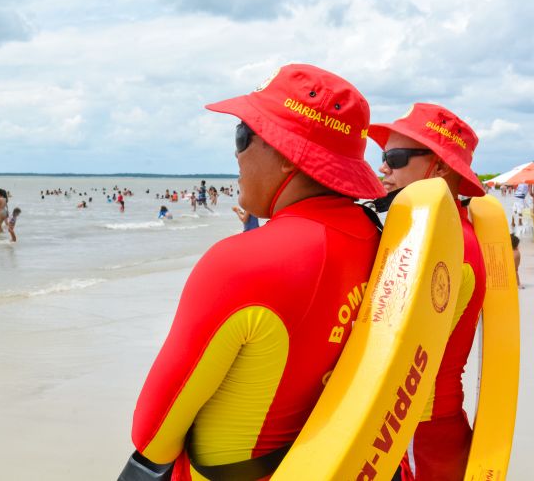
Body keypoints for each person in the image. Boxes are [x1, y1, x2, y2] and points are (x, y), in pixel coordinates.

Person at [121, 64, 386, 480]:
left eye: (243, 136)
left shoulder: (240, 264)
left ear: (287, 154)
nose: (236, 154)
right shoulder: (379, 239)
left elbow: (152, 435)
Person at [369, 102, 487, 480]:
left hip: (419, 429)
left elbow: (393, 347)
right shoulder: (451, 230)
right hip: (430, 425)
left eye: (396, 158)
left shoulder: (443, 244)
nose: (383, 168)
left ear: (439, 167)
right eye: (383, 157)